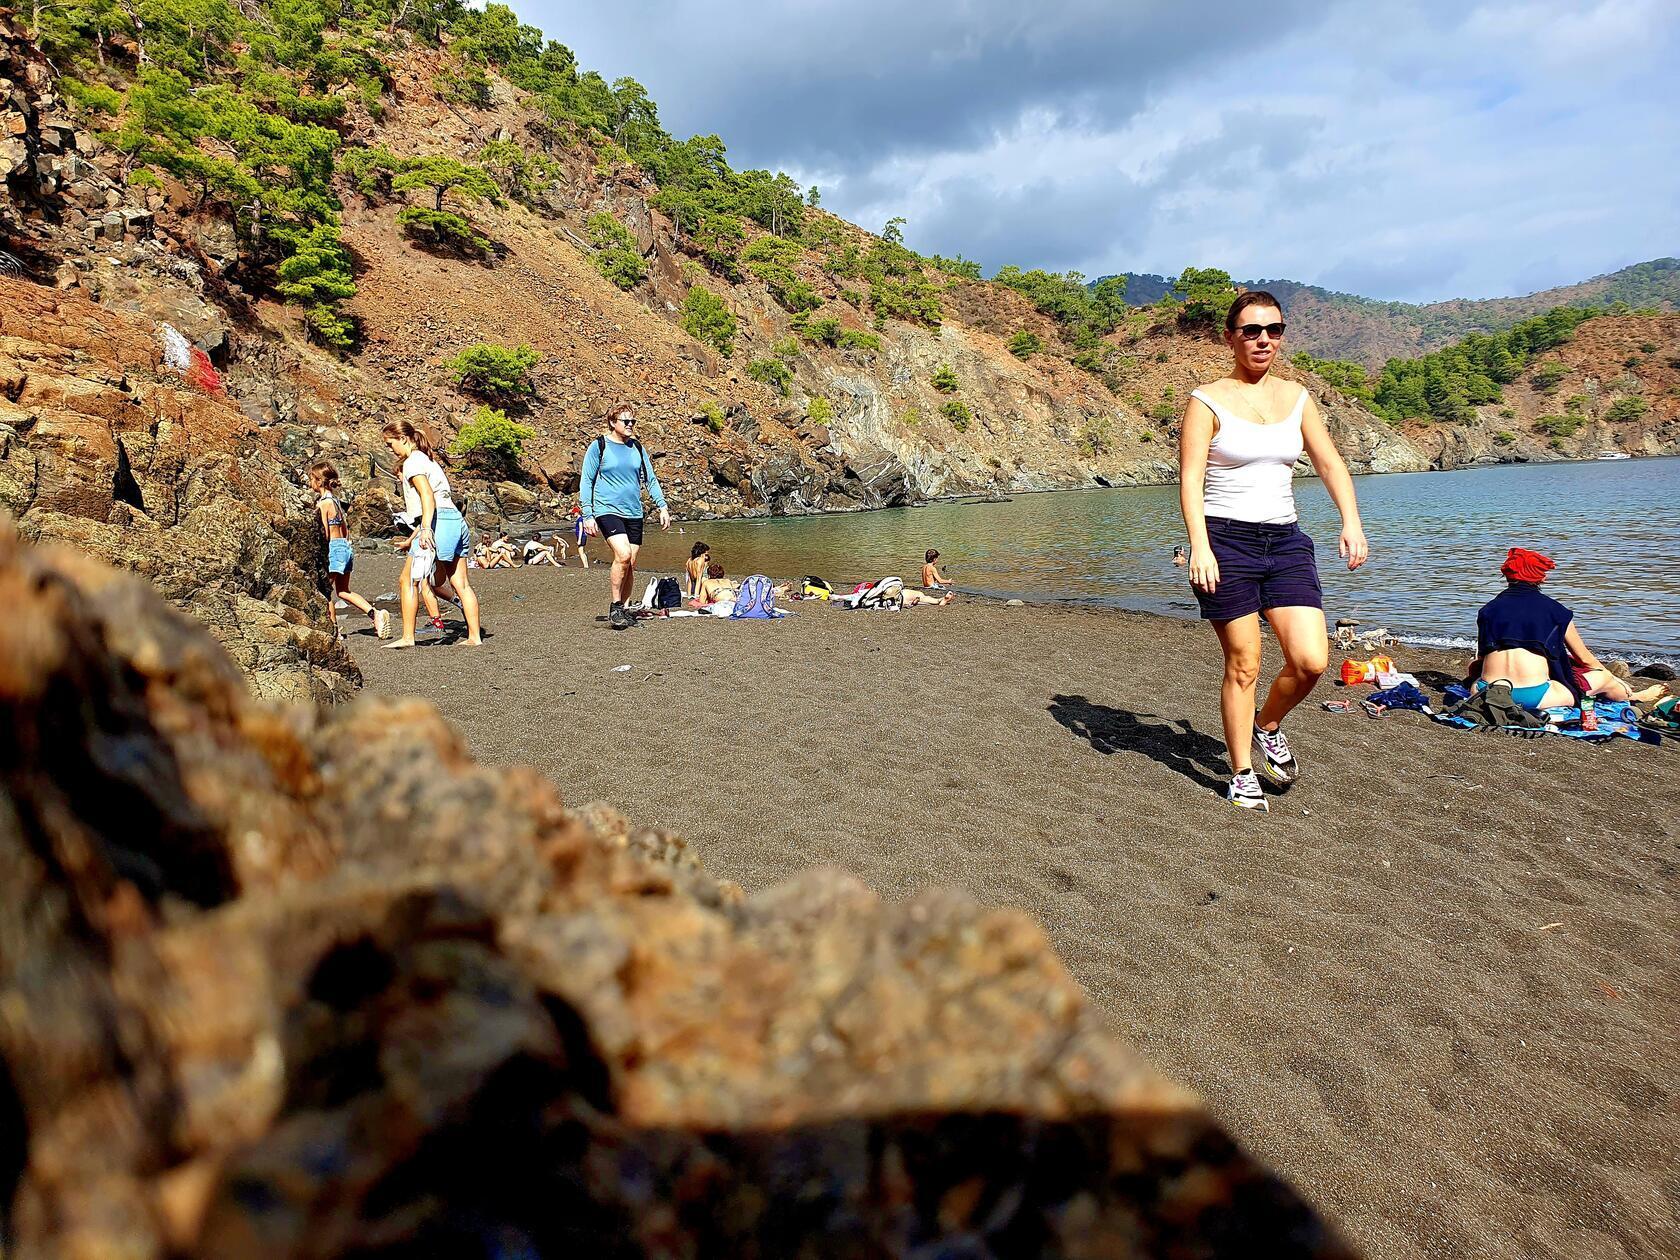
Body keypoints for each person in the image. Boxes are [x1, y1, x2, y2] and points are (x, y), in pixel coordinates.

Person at [1179, 291, 1369, 812]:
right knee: (1244, 662)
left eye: (1274, 330)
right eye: (1251, 330)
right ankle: (1241, 771)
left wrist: (1350, 521)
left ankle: (1268, 724)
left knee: (1310, 661)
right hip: (1226, 542)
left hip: (1285, 541)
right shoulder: (1207, 400)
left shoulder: (1297, 397)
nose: (1264, 339)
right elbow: (1191, 479)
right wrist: (1200, 546)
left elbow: (1329, 463)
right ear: (1230, 337)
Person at [1467, 548, 1663, 710]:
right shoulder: (1555, 611)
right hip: (1534, 696)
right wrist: (1609, 676)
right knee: (1602, 677)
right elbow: (1585, 658)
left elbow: (1483, 657)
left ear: (1507, 576)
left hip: (1485, 692)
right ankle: (1631, 696)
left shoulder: (1488, 610)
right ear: (1541, 578)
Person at [383, 419, 482, 648]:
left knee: (408, 579)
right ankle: (474, 637)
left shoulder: (412, 463)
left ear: (403, 439)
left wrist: (426, 529)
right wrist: (412, 538)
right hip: (456, 521)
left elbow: (427, 496)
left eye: (391, 444)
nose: (391, 450)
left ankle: (408, 637)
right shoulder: (428, 461)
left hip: (438, 522)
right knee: (461, 583)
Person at [579, 403, 670, 629]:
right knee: (623, 554)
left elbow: (650, 479)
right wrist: (588, 514)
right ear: (612, 422)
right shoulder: (598, 446)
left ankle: (625, 609)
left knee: (630, 562)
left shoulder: (637, 448)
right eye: (625, 421)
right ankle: (616, 606)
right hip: (607, 509)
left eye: (633, 422)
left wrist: (662, 506)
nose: (630, 425)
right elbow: (586, 480)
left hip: (634, 513)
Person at [308, 461, 390, 640]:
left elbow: (325, 533)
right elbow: (344, 529)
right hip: (345, 547)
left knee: (325, 591)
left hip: (333, 549)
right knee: (343, 590)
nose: (309, 483)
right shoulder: (336, 501)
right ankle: (374, 613)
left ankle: (334, 630)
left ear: (319, 481)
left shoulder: (323, 504)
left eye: (311, 479)